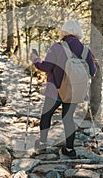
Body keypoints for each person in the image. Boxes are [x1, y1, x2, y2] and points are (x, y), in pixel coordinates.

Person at [30, 19, 96, 157]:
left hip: (56, 90)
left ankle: (42, 145)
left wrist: (35, 58)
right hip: (75, 91)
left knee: (46, 115)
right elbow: (92, 72)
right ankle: (70, 150)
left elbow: (45, 66)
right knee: (68, 118)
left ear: (64, 31)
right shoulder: (86, 50)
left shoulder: (57, 47)